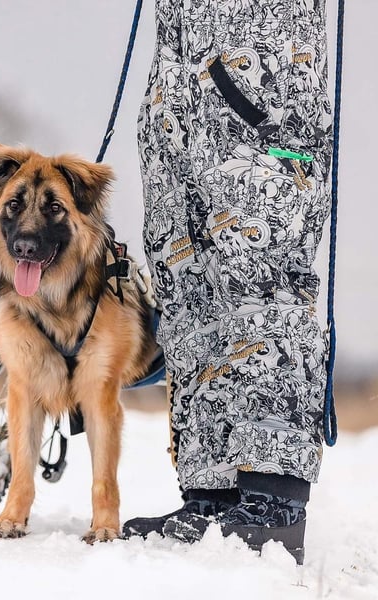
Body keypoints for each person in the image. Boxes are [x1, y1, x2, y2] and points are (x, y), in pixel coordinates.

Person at [124, 0, 334, 565]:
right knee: (186, 280)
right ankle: (211, 493)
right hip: (180, 57)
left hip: (259, 48)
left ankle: (273, 496)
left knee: (263, 266)